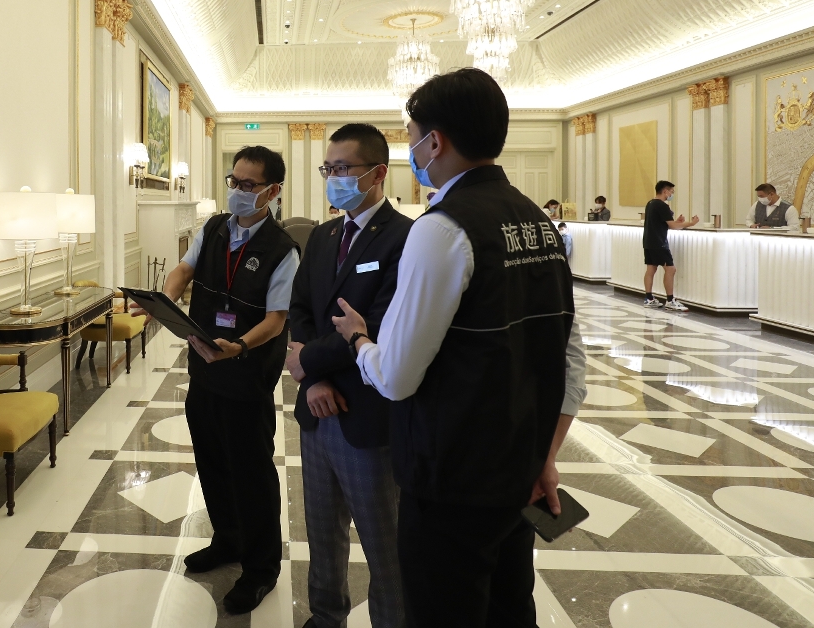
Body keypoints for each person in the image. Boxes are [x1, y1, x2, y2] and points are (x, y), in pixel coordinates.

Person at [331, 68, 584, 628]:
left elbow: (397, 376)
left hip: (451, 476)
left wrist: (359, 340)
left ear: (435, 142)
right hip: (518, 470)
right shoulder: (540, 224)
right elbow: (570, 363)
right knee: (509, 608)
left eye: (411, 137)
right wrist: (544, 456)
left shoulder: (442, 229)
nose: (412, 151)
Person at [138, 145, 299, 614]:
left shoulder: (282, 250)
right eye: (234, 181)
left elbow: (276, 320)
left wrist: (241, 346)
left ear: (272, 191)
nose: (238, 191)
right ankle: (228, 539)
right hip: (205, 370)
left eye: (249, 185)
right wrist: (163, 300)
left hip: (246, 376)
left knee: (251, 474)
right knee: (212, 463)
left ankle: (261, 568)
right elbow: (183, 269)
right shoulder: (213, 229)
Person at [285, 123, 413, 628]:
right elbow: (301, 308)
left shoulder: (405, 238)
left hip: (367, 415)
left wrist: (307, 362)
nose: (333, 178)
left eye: (343, 168)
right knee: (322, 533)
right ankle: (325, 617)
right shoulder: (324, 235)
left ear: (377, 173)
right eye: (328, 168)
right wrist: (311, 379)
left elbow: (379, 325)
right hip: (317, 412)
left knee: (384, 545)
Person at [643, 181, 699, 311]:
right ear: (665, 191)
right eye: (671, 192)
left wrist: (678, 222)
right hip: (659, 242)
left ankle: (649, 298)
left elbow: (663, 223)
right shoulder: (662, 205)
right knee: (670, 269)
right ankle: (670, 300)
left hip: (648, 241)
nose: (672, 194)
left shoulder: (650, 203)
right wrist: (691, 223)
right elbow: (672, 226)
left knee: (651, 269)